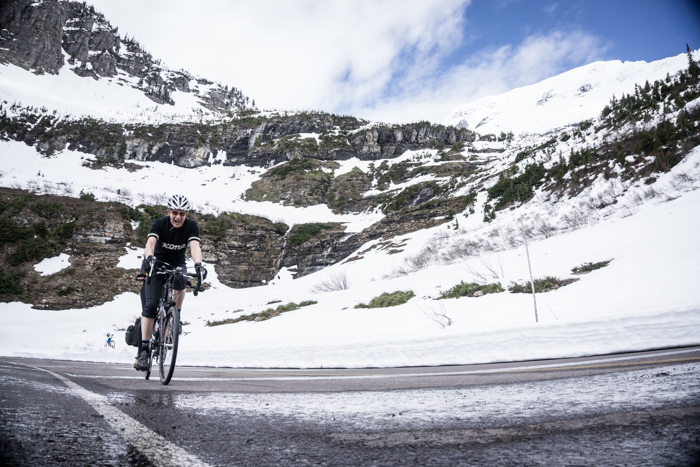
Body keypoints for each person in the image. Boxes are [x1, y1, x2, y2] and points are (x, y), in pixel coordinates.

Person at [134, 194, 207, 371]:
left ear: (186, 214)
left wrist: (199, 265)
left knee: (181, 277)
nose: (178, 217)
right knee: (151, 306)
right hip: (156, 264)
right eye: (175, 212)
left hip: (177, 265)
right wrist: (149, 259)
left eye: (182, 213)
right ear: (168, 212)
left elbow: (195, 247)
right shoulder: (159, 224)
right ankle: (143, 351)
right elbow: (150, 244)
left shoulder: (191, 226)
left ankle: (176, 316)